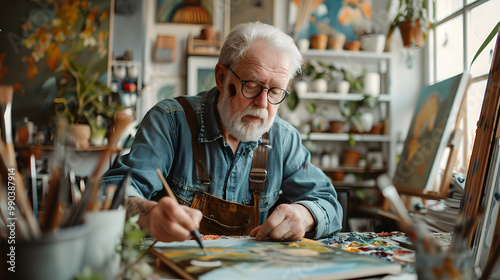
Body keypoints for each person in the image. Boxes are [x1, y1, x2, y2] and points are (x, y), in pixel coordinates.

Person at [101, 22, 343, 243]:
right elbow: (109, 194)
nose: (262, 103)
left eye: (276, 91)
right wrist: (149, 215)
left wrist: (304, 214)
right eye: (252, 85)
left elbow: (329, 202)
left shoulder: (283, 138)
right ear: (221, 78)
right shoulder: (169, 122)